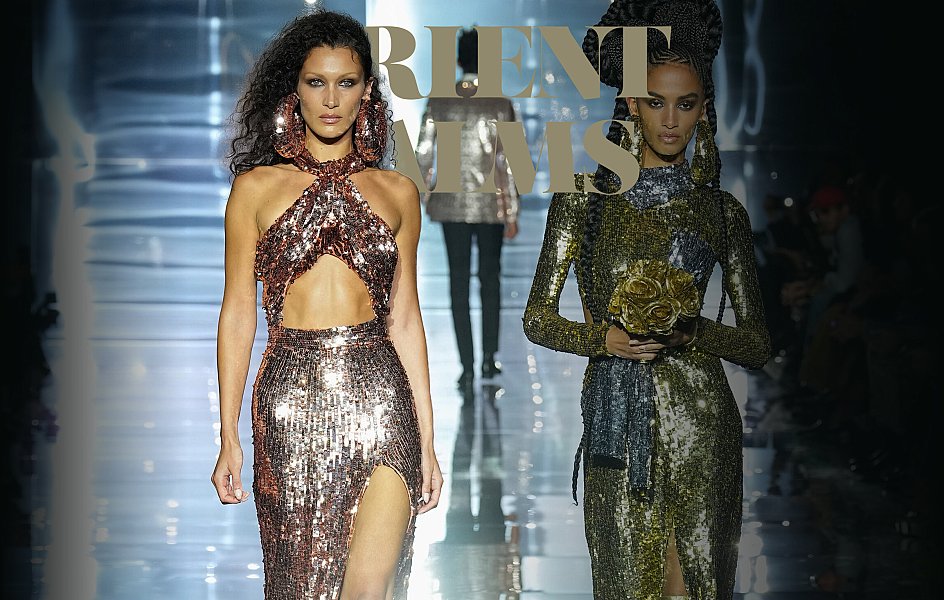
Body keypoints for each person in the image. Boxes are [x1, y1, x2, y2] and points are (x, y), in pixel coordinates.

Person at [522, 1, 771, 598]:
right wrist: (603, 339)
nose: (670, 120)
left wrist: (694, 332)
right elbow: (537, 318)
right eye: (656, 102)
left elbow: (758, 345)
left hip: (702, 425)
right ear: (631, 103)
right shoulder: (583, 200)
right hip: (617, 425)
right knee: (626, 586)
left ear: (703, 109)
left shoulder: (721, 213)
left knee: (698, 589)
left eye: (686, 104)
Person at [210, 9, 443, 599]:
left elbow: (405, 319)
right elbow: (237, 313)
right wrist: (228, 434)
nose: (331, 100)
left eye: (346, 83)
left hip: (381, 397)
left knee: (368, 591)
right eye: (317, 82)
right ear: (295, 89)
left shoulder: (399, 193)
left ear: (368, 91)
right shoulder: (255, 189)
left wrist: (428, 439)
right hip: (290, 404)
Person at [414, 27, 520, 393]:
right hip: (491, 206)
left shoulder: (440, 102)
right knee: (490, 280)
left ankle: (467, 366)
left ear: (458, 60)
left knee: (458, 283)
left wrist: (422, 196)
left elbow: (424, 154)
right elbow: (508, 163)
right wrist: (511, 211)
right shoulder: (499, 103)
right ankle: (489, 357)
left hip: (451, 205)